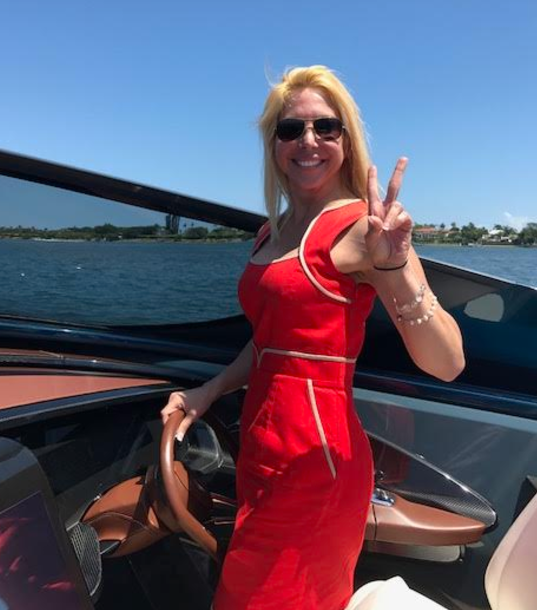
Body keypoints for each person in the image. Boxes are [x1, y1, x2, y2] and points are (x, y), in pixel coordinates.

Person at [161, 65, 465, 610]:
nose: (308, 141)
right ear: (273, 144)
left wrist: (395, 268)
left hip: (316, 466)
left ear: (346, 140)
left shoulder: (362, 227)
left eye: (326, 127)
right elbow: (270, 342)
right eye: (291, 129)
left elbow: (447, 364)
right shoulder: (271, 231)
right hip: (262, 448)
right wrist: (209, 391)